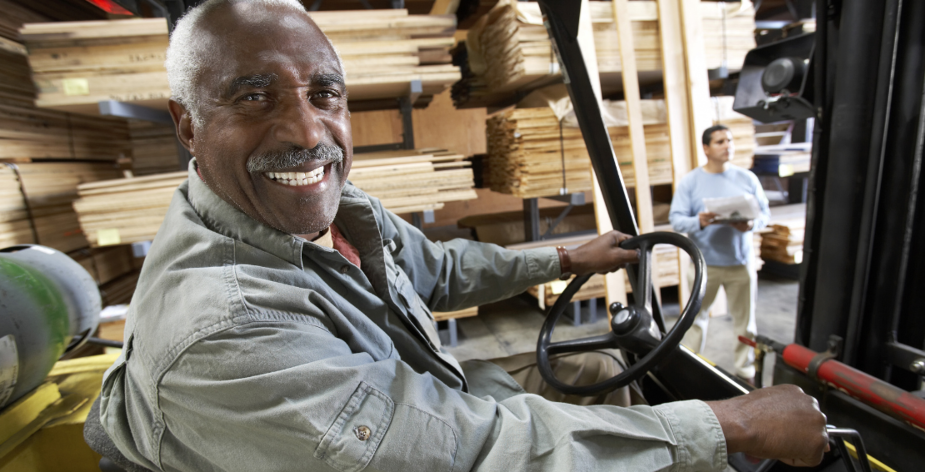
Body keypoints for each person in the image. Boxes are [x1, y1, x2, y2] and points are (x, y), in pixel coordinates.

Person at [98, 1, 827, 471]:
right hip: (389, 446)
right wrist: (729, 426)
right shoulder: (227, 332)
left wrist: (567, 253)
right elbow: (464, 454)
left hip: (406, 398)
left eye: (324, 95)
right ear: (188, 124)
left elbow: (438, 269)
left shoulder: (333, 209)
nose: (305, 131)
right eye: (253, 97)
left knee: (588, 375)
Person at [669, 124, 771, 384]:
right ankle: (691, 367)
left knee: (745, 323)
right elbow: (677, 220)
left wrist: (751, 224)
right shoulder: (691, 182)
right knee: (695, 320)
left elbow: (765, 215)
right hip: (705, 265)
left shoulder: (747, 179)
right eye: (720, 141)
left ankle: (746, 373)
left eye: (730, 140)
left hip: (740, 263)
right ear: (706, 148)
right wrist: (700, 221)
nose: (728, 146)